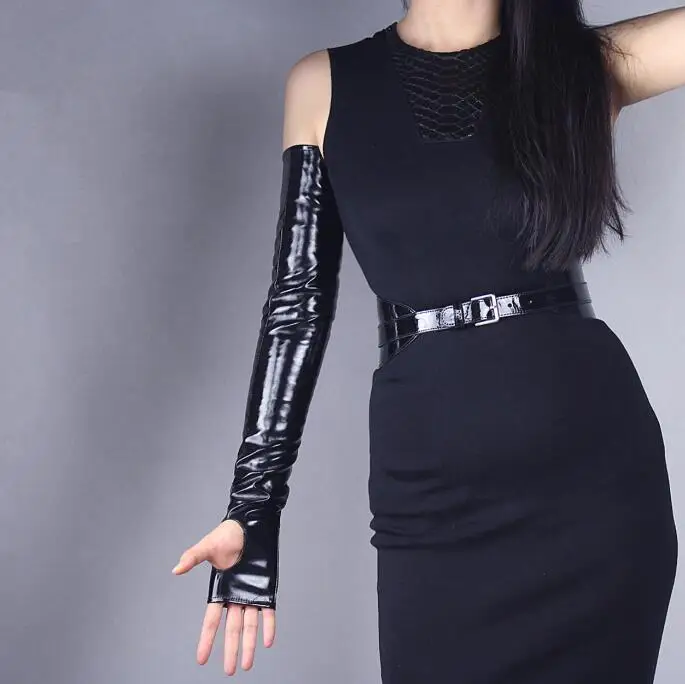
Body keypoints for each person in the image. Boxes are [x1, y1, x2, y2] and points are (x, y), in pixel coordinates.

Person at [173, 1, 685, 681]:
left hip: (591, 483)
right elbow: (297, 305)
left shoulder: (576, 66)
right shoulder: (324, 84)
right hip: (432, 485)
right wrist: (252, 505)